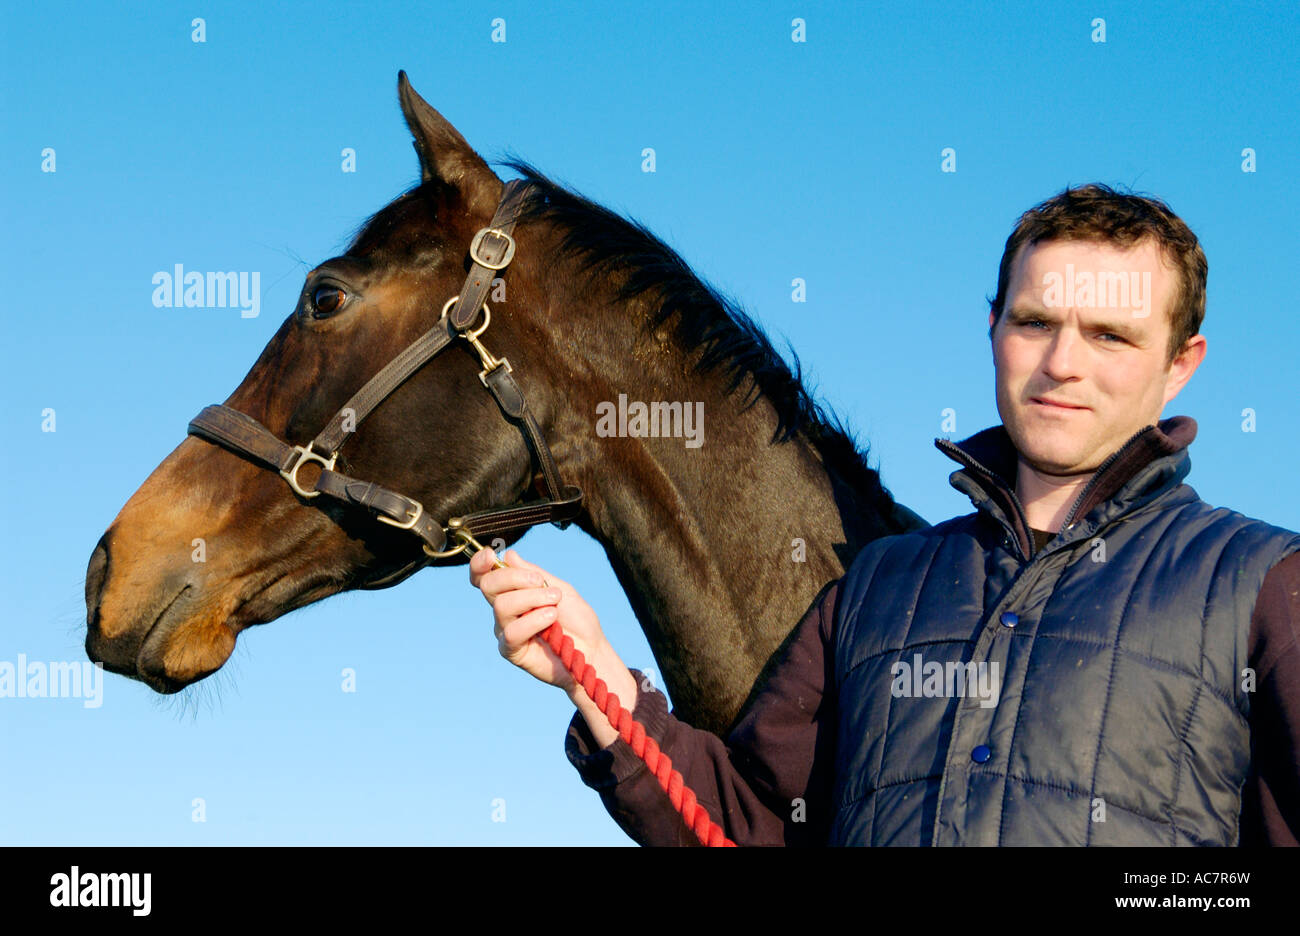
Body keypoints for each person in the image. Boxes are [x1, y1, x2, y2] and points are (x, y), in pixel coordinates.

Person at [468, 184, 1300, 846]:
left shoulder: (1264, 585)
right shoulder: (877, 585)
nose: (1061, 364)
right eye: (1035, 321)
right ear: (994, 328)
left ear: (1180, 364)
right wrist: (600, 678)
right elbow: (756, 826)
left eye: (1111, 336)